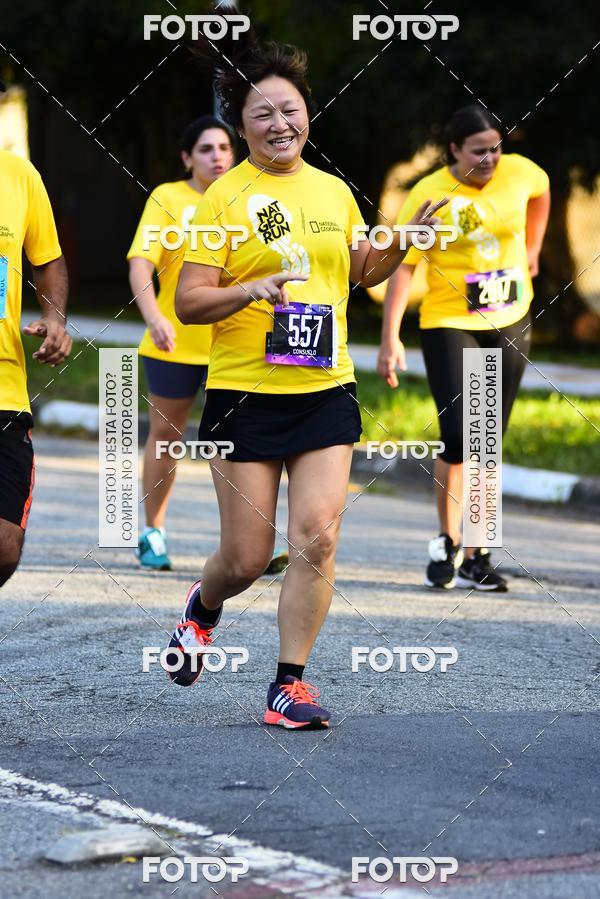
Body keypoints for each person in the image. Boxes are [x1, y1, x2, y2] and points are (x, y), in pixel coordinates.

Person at [164, 13, 448, 729]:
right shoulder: (224, 198)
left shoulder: (332, 191)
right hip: (244, 394)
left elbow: (361, 271)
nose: (280, 123)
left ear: (308, 118)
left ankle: (288, 685)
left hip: (325, 387)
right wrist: (249, 290)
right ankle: (203, 605)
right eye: (263, 113)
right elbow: (189, 301)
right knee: (246, 557)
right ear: (242, 127)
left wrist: (402, 242)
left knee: (318, 537)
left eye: (290, 109)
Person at [378, 105, 550, 593]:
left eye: (495, 148)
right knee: (459, 434)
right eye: (478, 151)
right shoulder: (429, 193)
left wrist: (533, 248)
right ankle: (447, 540)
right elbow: (404, 266)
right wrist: (390, 337)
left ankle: (478, 554)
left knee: (487, 439)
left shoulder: (520, 171)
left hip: (509, 316)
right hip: (449, 321)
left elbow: (541, 192)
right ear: (453, 150)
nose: (490, 158)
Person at [127, 116, 236, 571]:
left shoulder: (246, 198)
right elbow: (140, 263)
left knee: (237, 442)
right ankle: (153, 531)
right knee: (167, 438)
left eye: (225, 148)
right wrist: (154, 317)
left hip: (235, 345)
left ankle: (245, 542)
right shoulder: (168, 198)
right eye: (206, 149)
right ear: (187, 158)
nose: (217, 157)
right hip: (174, 342)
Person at [0, 90, 72, 587]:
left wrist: (55, 318)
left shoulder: (20, 176)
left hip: (5, 385)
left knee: (6, 547)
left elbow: (47, 260)